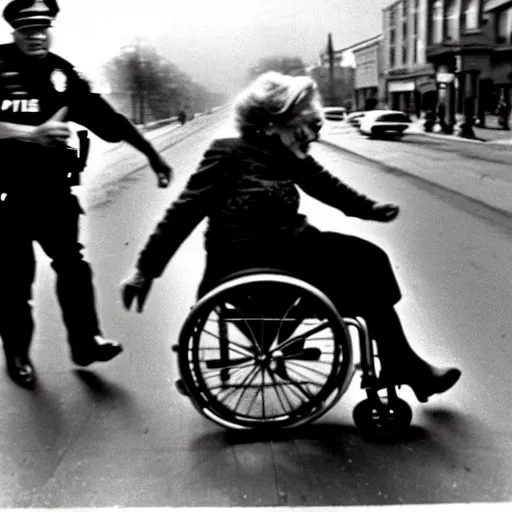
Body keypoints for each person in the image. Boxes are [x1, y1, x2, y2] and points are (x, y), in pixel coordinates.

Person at [121, 71, 461, 404]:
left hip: (292, 252)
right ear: (269, 123)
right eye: (300, 124)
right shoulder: (227, 154)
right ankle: (402, 365)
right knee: (366, 268)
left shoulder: (288, 155)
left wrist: (370, 208)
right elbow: (184, 211)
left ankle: (400, 363)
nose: (310, 135)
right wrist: (144, 271)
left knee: (369, 259)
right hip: (246, 263)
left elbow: (329, 187)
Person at [0, 0, 173, 389]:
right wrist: (30, 133)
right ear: (14, 32)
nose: (36, 35)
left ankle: (85, 342)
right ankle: (17, 355)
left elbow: (107, 118)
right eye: (27, 29)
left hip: (52, 192)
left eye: (42, 27)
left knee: (74, 268)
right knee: (14, 282)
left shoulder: (61, 73)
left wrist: (152, 155)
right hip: (6, 197)